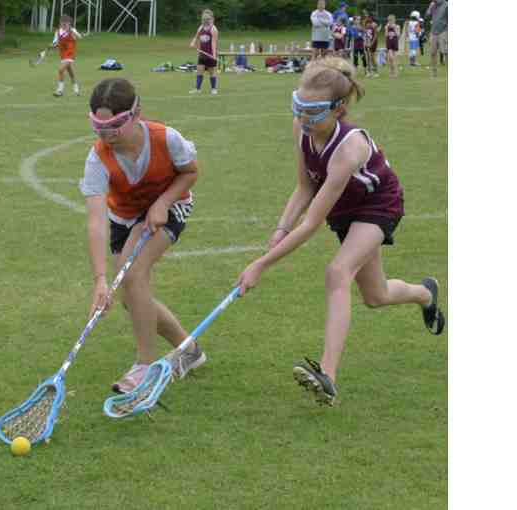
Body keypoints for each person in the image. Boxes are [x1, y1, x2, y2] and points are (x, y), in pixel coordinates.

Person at [235, 57, 445, 406]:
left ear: (340, 108)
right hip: (346, 212)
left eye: (313, 112)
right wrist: (280, 228)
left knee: (337, 273)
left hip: (379, 205)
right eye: (298, 107)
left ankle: (327, 376)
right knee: (375, 296)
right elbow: (304, 188)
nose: (304, 118)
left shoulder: (349, 148)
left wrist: (261, 264)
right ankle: (425, 294)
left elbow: (313, 223)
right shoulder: (302, 130)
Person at [80, 78, 204, 393]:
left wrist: (163, 202)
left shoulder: (166, 138)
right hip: (124, 219)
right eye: (99, 126)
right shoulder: (98, 158)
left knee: (134, 276)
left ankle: (145, 367)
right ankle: (189, 351)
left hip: (171, 207)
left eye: (115, 125)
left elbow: (190, 172)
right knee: (129, 297)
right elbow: (96, 219)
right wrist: (99, 279)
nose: (107, 134)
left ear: (136, 114)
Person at [189, 9, 219, 95]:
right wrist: (193, 42)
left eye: (207, 19)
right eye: (204, 19)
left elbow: (214, 43)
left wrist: (213, 55)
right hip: (202, 54)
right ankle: (197, 89)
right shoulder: (201, 27)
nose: (205, 20)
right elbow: (196, 37)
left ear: (211, 18)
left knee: (212, 72)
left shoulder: (213, 29)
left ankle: (214, 89)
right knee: (199, 71)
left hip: (210, 54)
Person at [52, 15, 83, 97]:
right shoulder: (58, 32)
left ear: (69, 23)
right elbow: (55, 43)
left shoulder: (72, 30)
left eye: (66, 23)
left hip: (70, 54)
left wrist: (72, 32)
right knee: (70, 72)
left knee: (61, 70)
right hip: (62, 55)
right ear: (60, 23)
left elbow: (79, 37)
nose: (64, 25)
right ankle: (76, 89)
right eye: (63, 23)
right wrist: (53, 45)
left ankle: (60, 90)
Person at [426, 0, 448, 77]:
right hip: (433, 32)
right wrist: (430, 7)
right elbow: (427, 16)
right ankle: (434, 72)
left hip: (444, 31)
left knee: (446, 52)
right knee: (432, 53)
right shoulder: (433, 5)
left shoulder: (446, 5)